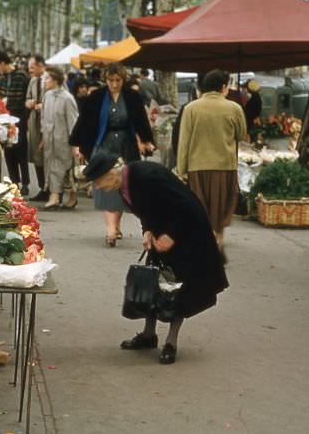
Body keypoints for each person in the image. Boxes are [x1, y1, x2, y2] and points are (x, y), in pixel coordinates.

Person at [83, 153, 228, 364]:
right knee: (153, 283)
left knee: (179, 287)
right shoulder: (123, 184)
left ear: (112, 172)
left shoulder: (147, 176)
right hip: (162, 233)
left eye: (98, 181)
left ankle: (171, 342)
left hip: (188, 234)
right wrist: (148, 231)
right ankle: (149, 334)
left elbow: (186, 206)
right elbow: (146, 211)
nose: (98, 187)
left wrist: (171, 235)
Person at [69, 63, 155, 246]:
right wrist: (78, 145)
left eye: (118, 80)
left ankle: (116, 225)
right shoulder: (96, 97)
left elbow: (141, 120)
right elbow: (84, 121)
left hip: (126, 145)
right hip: (103, 145)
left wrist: (147, 140)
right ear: (105, 79)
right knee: (105, 186)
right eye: (111, 80)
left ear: (123, 80)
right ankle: (110, 230)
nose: (114, 84)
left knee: (123, 186)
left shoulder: (132, 97)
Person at [176, 69, 247, 247]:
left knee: (201, 208)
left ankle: (205, 242)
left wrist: (181, 169)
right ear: (223, 87)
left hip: (197, 166)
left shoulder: (191, 108)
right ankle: (219, 240)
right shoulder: (234, 108)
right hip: (225, 166)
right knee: (220, 208)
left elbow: (184, 141)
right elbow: (241, 134)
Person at [41, 67, 79, 210]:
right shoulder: (47, 96)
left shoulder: (67, 98)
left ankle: (60, 196)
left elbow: (73, 121)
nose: (45, 81)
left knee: (65, 169)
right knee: (52, 167)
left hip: (64, 140)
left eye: (48, 78)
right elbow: (43, 119)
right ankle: (56, 196)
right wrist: (43, 136)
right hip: (50, 139)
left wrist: (76, 144)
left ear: (56, 80)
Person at [0, 51, 31, 195]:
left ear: (3, 63)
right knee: (9, 150)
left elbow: (26, 97)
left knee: (21, 150)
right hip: (5, 118)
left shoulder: (21, 76)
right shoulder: (2, 79)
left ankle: (26, 183)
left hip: (19, 117)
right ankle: (14, 182)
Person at [26, 54, 49, 200]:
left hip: (48, 122)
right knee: (37, 156)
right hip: (35, 122)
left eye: (32, 67)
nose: (30, 71)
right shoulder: (33, 81)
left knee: (49, 157)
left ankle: (52, 189)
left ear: (41, 65)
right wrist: (29, 102)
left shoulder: (52, 78)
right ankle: (42, 188)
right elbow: (27, 98)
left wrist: (44, 106)